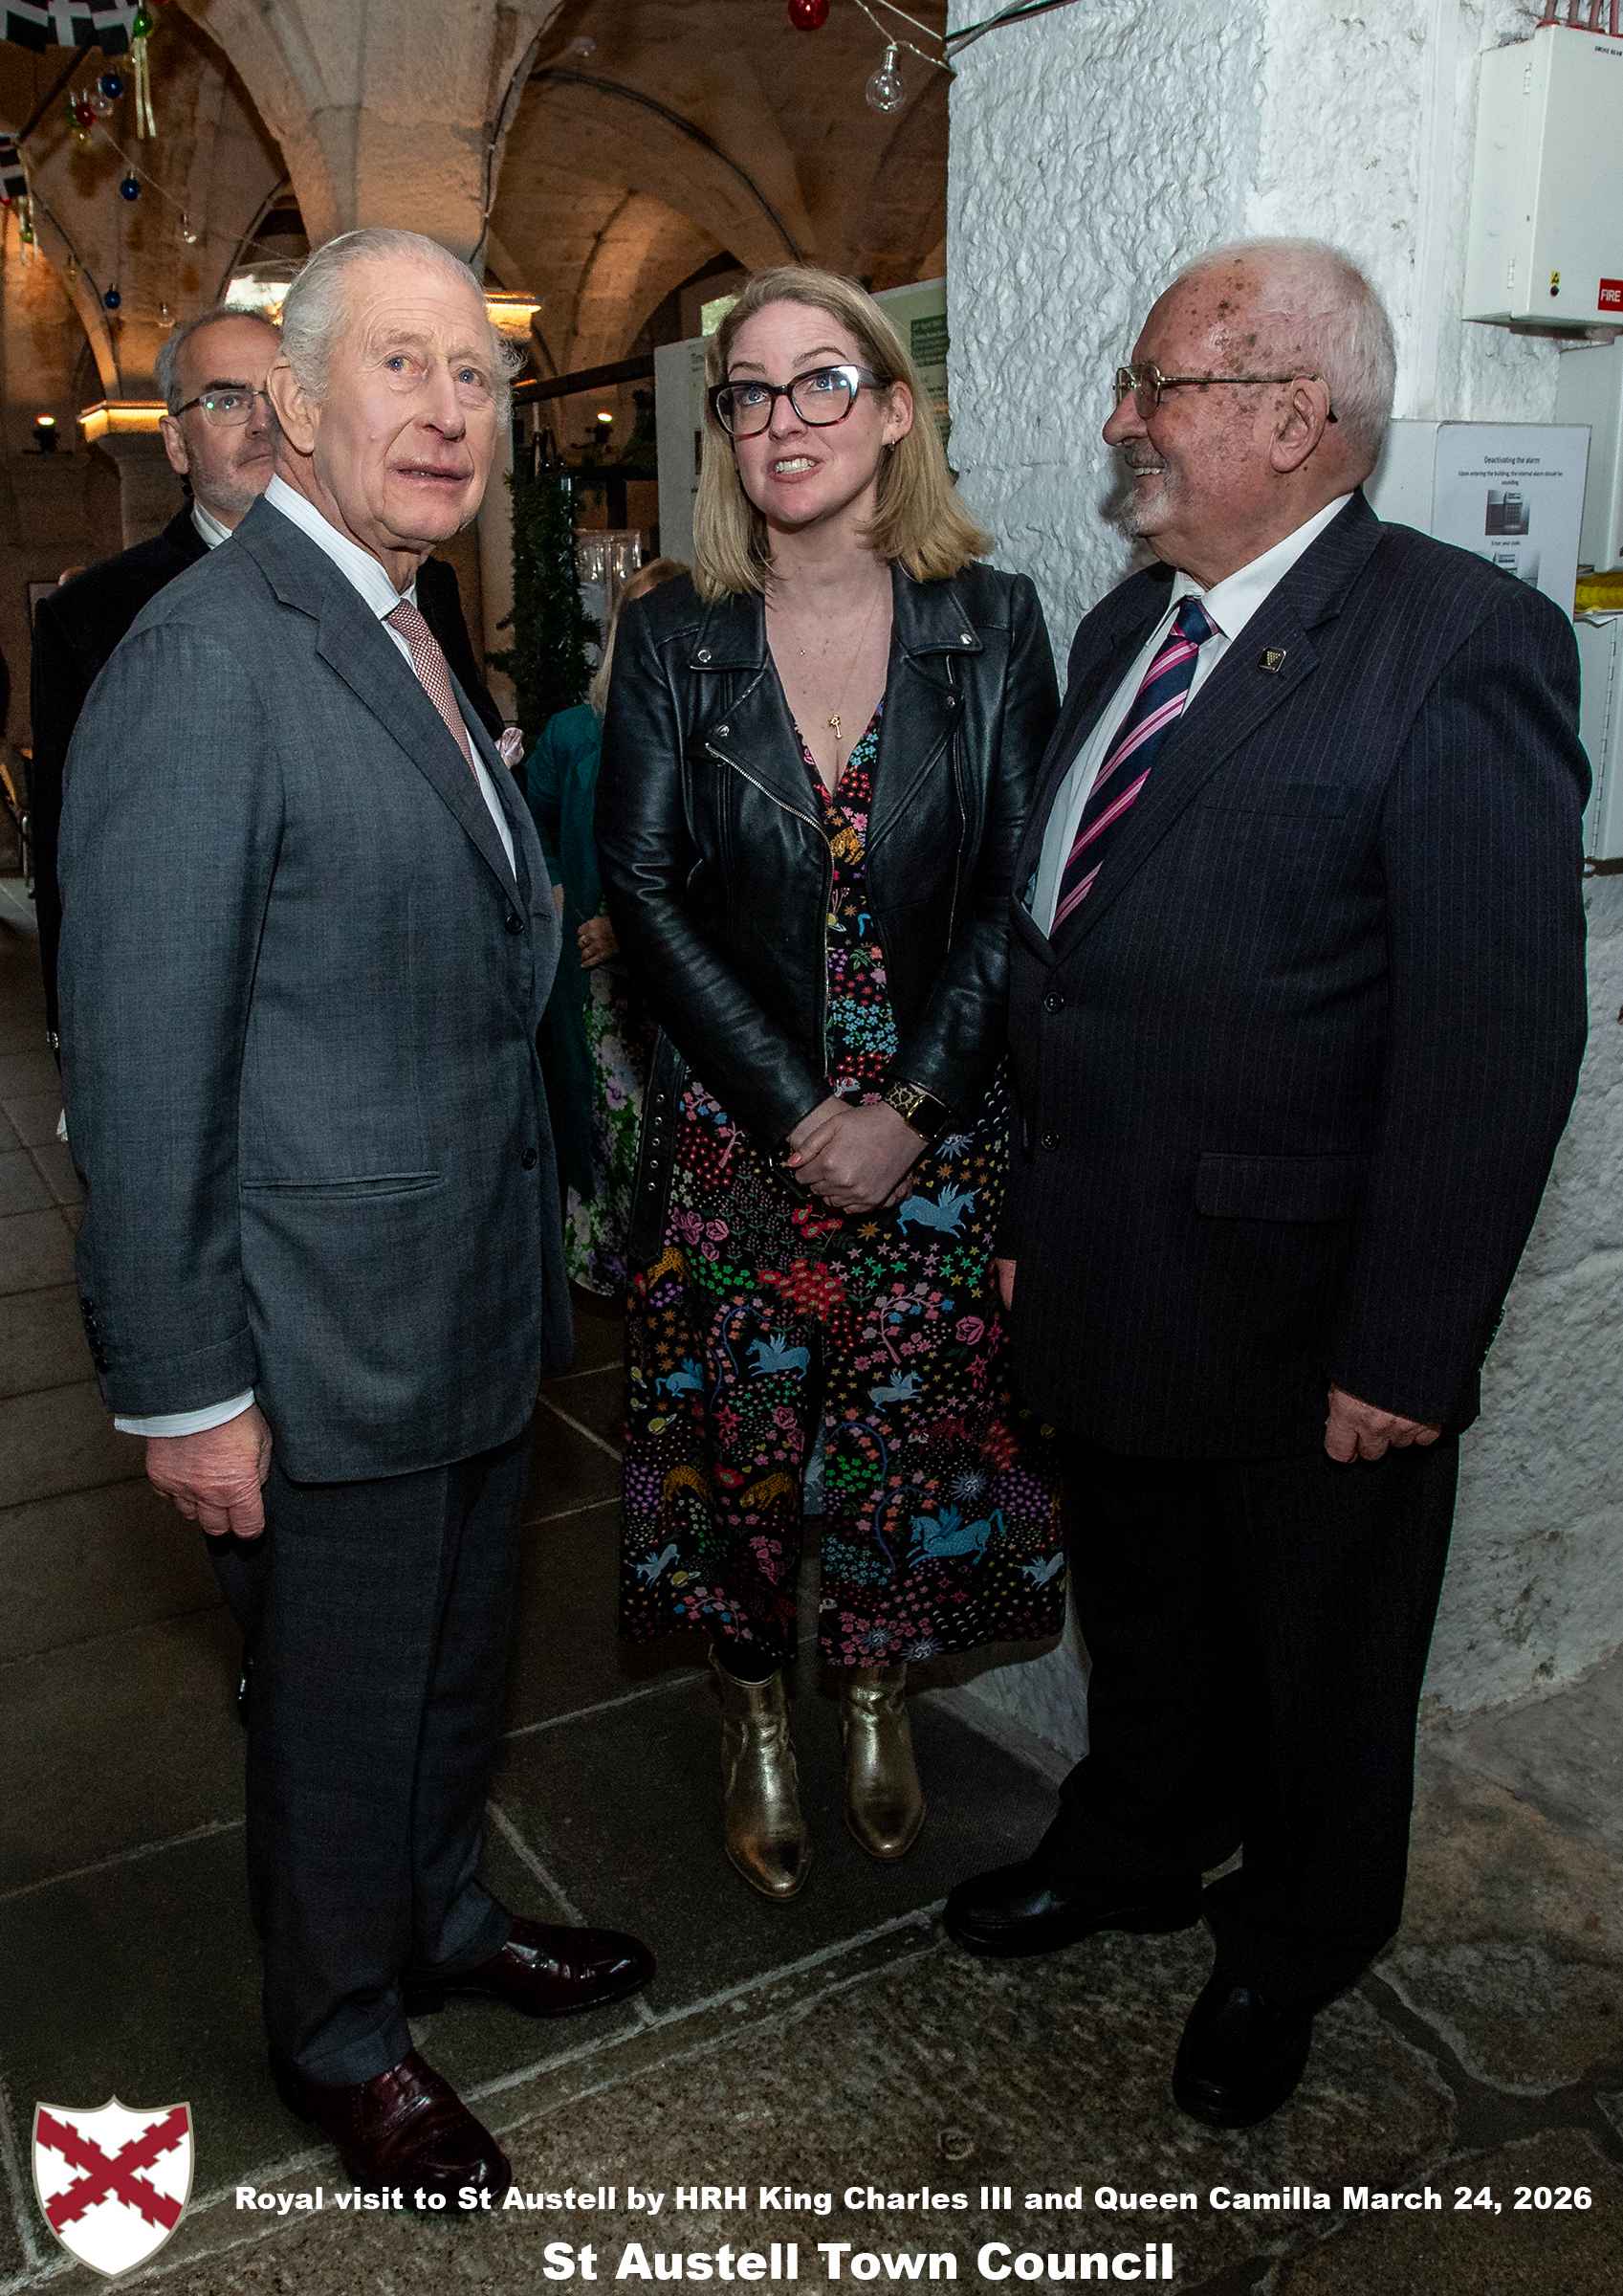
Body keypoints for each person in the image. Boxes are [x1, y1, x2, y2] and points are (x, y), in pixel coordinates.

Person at [944, 238, 1590, 2129]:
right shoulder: (1124, 632)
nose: (1118, 421)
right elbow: (1061, 960)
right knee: (1142, 1610)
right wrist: (1026, 1220)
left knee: (1320, 1665)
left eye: (1156, 384)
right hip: (1107, 1265)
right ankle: (1135, 1846)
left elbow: (1492, 1040)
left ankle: (1293, 1943)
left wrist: (1406, 1345)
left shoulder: (1456, 642)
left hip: (1308, 1314)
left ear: (1294, 416)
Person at [58, 227, 654, 2209]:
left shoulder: (402, 615)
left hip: (457, 1296)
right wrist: (184, 1389)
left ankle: (442, 1926)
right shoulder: (209, 657)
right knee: (336, 1711)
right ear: (294, 406)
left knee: (452, 1671)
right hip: (316, 1335)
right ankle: (336, 2035)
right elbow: (145, 1061)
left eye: (475, 373)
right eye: (398, 366)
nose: (448, 408)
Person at [597, 265, 1065, 1903]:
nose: (782, 420)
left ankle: (870, 1691)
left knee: (908, 1432)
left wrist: (910, 1111)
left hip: (937, 1119)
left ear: (892, 411)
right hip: (746, 1124)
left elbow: (1018, 890)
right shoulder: (676, 632)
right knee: (734, 1444)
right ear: (722, 429)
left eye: (821, 383)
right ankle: (753, 1706)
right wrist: (802, 1113)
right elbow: (642, 889)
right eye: (749, 393)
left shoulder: (989, 621)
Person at [28, 302, 498, 1054]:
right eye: (225, 400)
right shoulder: (99, 615)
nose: (260, 422)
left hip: (421, 1005)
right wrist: (76, 1038)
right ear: (176, 444)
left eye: (278, 392)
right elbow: (72, 853)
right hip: (238, 1028)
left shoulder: (414, 580)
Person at [523, 556, 688, 1296]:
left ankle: (671, 1272)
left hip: (677, 975)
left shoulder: (717, 726)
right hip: (592, 977)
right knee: (604, 1121)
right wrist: (557, 893)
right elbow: (532, 824)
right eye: (639, 619)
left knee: (669, 1128)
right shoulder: (573, 731)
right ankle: (612, 1268)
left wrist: (630, 927)